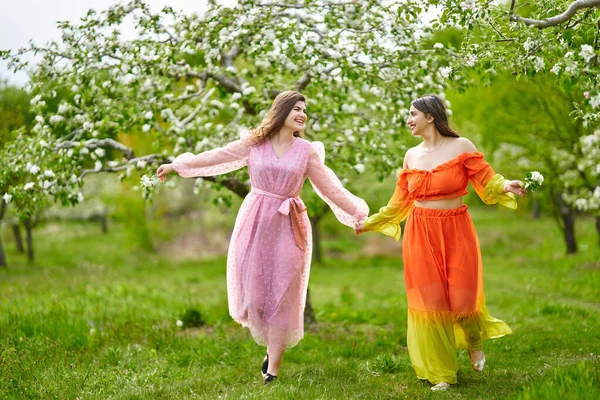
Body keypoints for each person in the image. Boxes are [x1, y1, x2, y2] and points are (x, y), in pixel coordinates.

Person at [157, 90, 368, 385]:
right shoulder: (255, 143)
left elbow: (330, 188)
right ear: (281, 111)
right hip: (254, 221)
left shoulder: (306, 150)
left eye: (304, 110)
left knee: (283, 291)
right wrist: (177, 166)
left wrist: (357, 215)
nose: (302, 114)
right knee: (255, 292)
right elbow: (218, 156)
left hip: (289, 223)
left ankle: (273, 370)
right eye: (296, 108)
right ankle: (271, 348)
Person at [357, 95, 526, 391]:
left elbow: (486, 179)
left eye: (413, 114)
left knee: (462, 300)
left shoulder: (461, 147)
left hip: (456, 228)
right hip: (420, 233)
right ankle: (443, 373)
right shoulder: (411, 156)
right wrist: (370, 221)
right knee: (431, 304)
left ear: (430, 116)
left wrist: (505, 184)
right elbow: (399, 202)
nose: (409, 120)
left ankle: (474, 342)